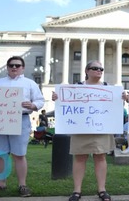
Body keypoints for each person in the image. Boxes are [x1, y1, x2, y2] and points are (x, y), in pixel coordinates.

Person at [52, 60, 125, 201]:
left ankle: (102, 190)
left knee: (101, 157)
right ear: (86, 71)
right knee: (79, 158)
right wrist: (56, 97)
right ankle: (77, 191)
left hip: (101, 129)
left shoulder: (108, 88)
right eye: (95, 68)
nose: (99, 71)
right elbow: (63, 101)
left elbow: (117, 105)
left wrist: (124, 97)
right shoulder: (76, 88)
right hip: (81, 129)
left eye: (101, 69)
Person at [0, 56, 45, 197]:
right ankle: (0, 183)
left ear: (22, 67)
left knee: (19, 154)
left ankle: (22, 185)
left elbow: (40, 100)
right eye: (11, 65)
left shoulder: (29, 83)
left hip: (21, 119)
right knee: (1, 154)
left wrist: (33, 105)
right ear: (7, 67)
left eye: (17, 65)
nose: (14, 67)